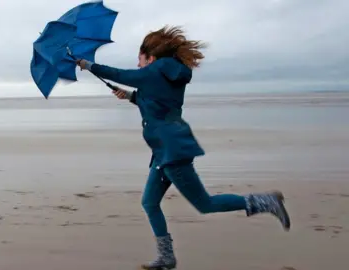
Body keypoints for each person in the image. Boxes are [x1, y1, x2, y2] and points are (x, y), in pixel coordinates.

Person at [76, 26, 290, 270]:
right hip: (163, 152)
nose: (138, 64)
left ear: (151, 57)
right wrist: (130, 97)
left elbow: (121, 74)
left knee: (205, 204)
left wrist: (88, 65)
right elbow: (158, 104)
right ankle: (166, 257)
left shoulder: (156, 70)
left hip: (172, 151)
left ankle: (266, 201)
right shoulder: (167, 75)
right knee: (149, 202)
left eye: (140, 59)